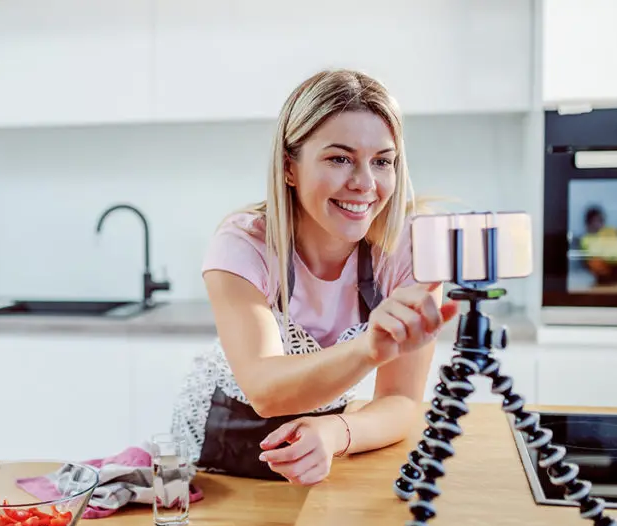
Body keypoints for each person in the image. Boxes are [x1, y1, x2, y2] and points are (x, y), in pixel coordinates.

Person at [168, 69, 461, 486]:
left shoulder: (408, 252)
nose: (364, 184)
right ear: (290, 167)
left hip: (319, 460)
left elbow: (401, 400)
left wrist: (334, 433)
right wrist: (368, 349)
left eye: (382, 161)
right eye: (339, 158)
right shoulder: (244, 244)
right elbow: (265, 390)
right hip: (213, 464)